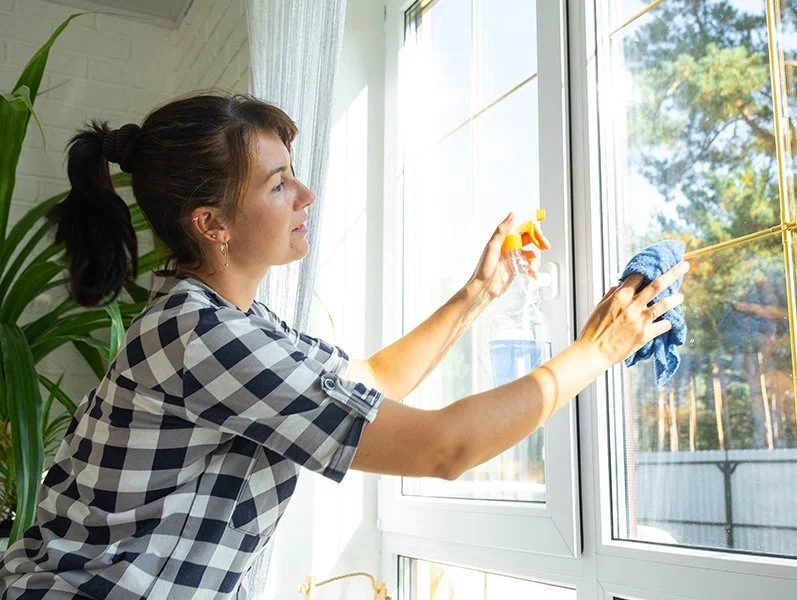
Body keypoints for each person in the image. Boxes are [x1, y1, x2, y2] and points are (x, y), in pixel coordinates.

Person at [0, 93, 687, 599]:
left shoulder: (235, 322)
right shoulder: (199, 336)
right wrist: (595, 350)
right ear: (212, 224)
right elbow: (442, 449)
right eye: (278, 183)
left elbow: (367, 383)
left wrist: (476, 294)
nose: (306, 193)